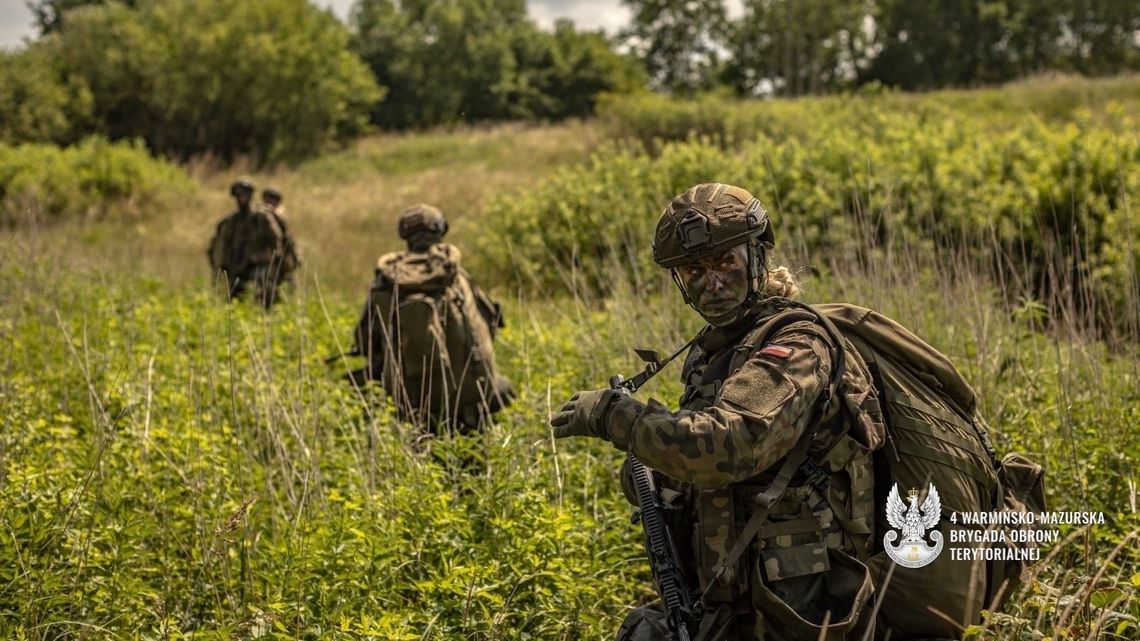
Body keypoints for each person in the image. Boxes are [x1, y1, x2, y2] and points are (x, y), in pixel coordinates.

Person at [551, 183, 888, 641]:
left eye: (726, 262)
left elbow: (729, 445)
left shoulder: (796, 345)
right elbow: (707, 468)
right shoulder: (715, 351)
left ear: (756, 258)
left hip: (797, 605)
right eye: (693, 269)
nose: (712, 283)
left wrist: (616, 416)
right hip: (730, 593)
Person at [353, 204, 513, 435]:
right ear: (440, 231)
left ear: (405, 236)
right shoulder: (454, 273)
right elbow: (491, 323)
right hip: (473, 395)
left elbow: (365, 343)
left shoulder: (387, 282)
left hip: (413, 404)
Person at [207, 179, 298, 308]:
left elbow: (277, 243)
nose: (242, 198)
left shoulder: (262, 218)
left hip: (259, 266)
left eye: (244, 194)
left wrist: (266, 260)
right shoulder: (231, 222)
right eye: (239, 195)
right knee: (232, 299)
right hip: (238, 268)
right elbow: (220, 248)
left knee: (265, 290)